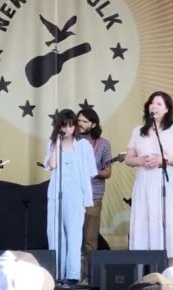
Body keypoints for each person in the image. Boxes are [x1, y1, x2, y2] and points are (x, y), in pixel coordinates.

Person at [125, 91, 173, 267]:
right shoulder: (138, 131)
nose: (154, 106)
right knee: (146, 222)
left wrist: (164, 159)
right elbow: (129, 159)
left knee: (170, 223)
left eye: (159, 103)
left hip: (167, 182)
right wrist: (140, 160)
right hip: (145, 182)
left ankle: (172, 271)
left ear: (167, 109)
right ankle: (148, 272)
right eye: (152, 102)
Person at [43, 109, 97, 284]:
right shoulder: (53, 144)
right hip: (56, 195)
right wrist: (57, 143)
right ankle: (57, 274)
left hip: (75, 195)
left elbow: (90, 172)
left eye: (71, 125)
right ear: (59, 127)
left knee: (74, 234)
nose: (68, 129)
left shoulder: (83, 145)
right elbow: (51, 164)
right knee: (55, 234)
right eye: (64, 126)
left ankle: (73, 275)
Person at [76, 108, 112, 281]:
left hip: (94, 196)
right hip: (73, 195)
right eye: (79, 121)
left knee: (90, 240)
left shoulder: (103, 144)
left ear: (93, 124)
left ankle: (88, 278)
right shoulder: (71, 140)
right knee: (73, 238)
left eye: (84, 121)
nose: (80, 124)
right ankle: (71, 275)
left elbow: (107, 172)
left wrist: (93, 171)